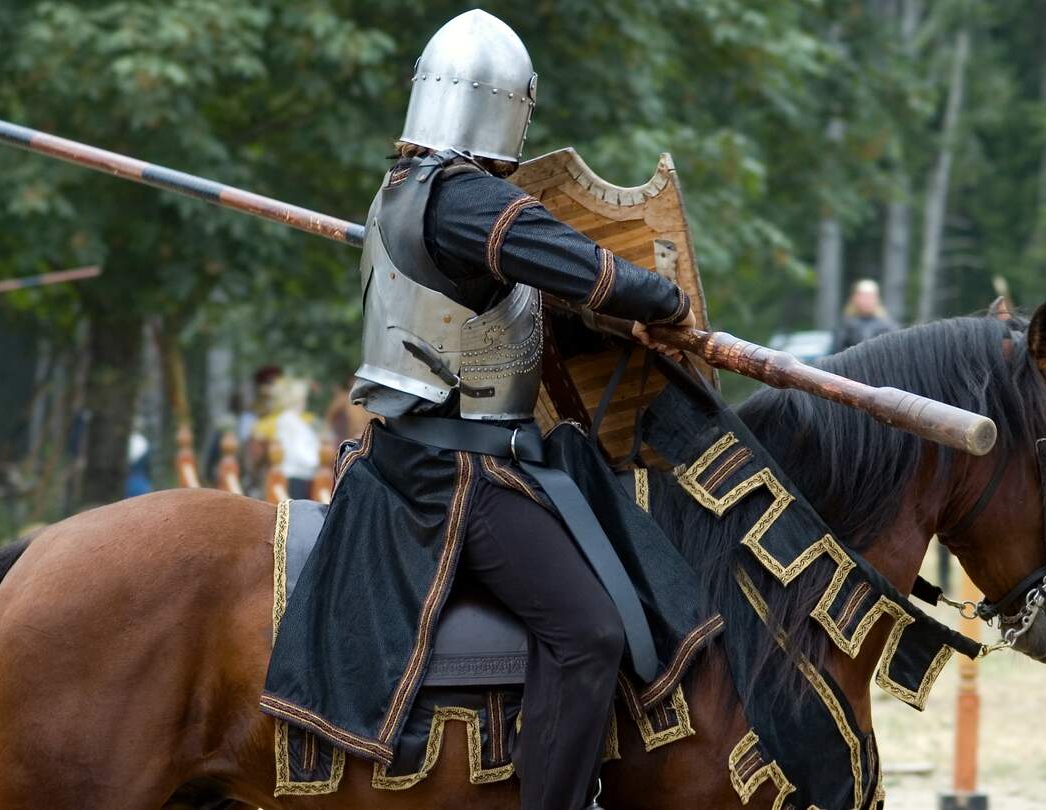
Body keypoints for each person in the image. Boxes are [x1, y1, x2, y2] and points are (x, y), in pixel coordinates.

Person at [260, 11, 719, 810]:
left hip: (427, 452)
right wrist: (664, 298)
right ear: (510, 107)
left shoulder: (403, 189)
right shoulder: (465, 200)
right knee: (588, 636)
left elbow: (516, 291)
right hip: (458, 474)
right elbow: (581, 264)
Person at [832, 278, 899, 352]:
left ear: (877, 298)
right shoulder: (845, 325)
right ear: (854, 298)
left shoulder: (887, 325)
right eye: (863, 296)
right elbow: (836, 351)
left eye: (870, 297)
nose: (867, 300)